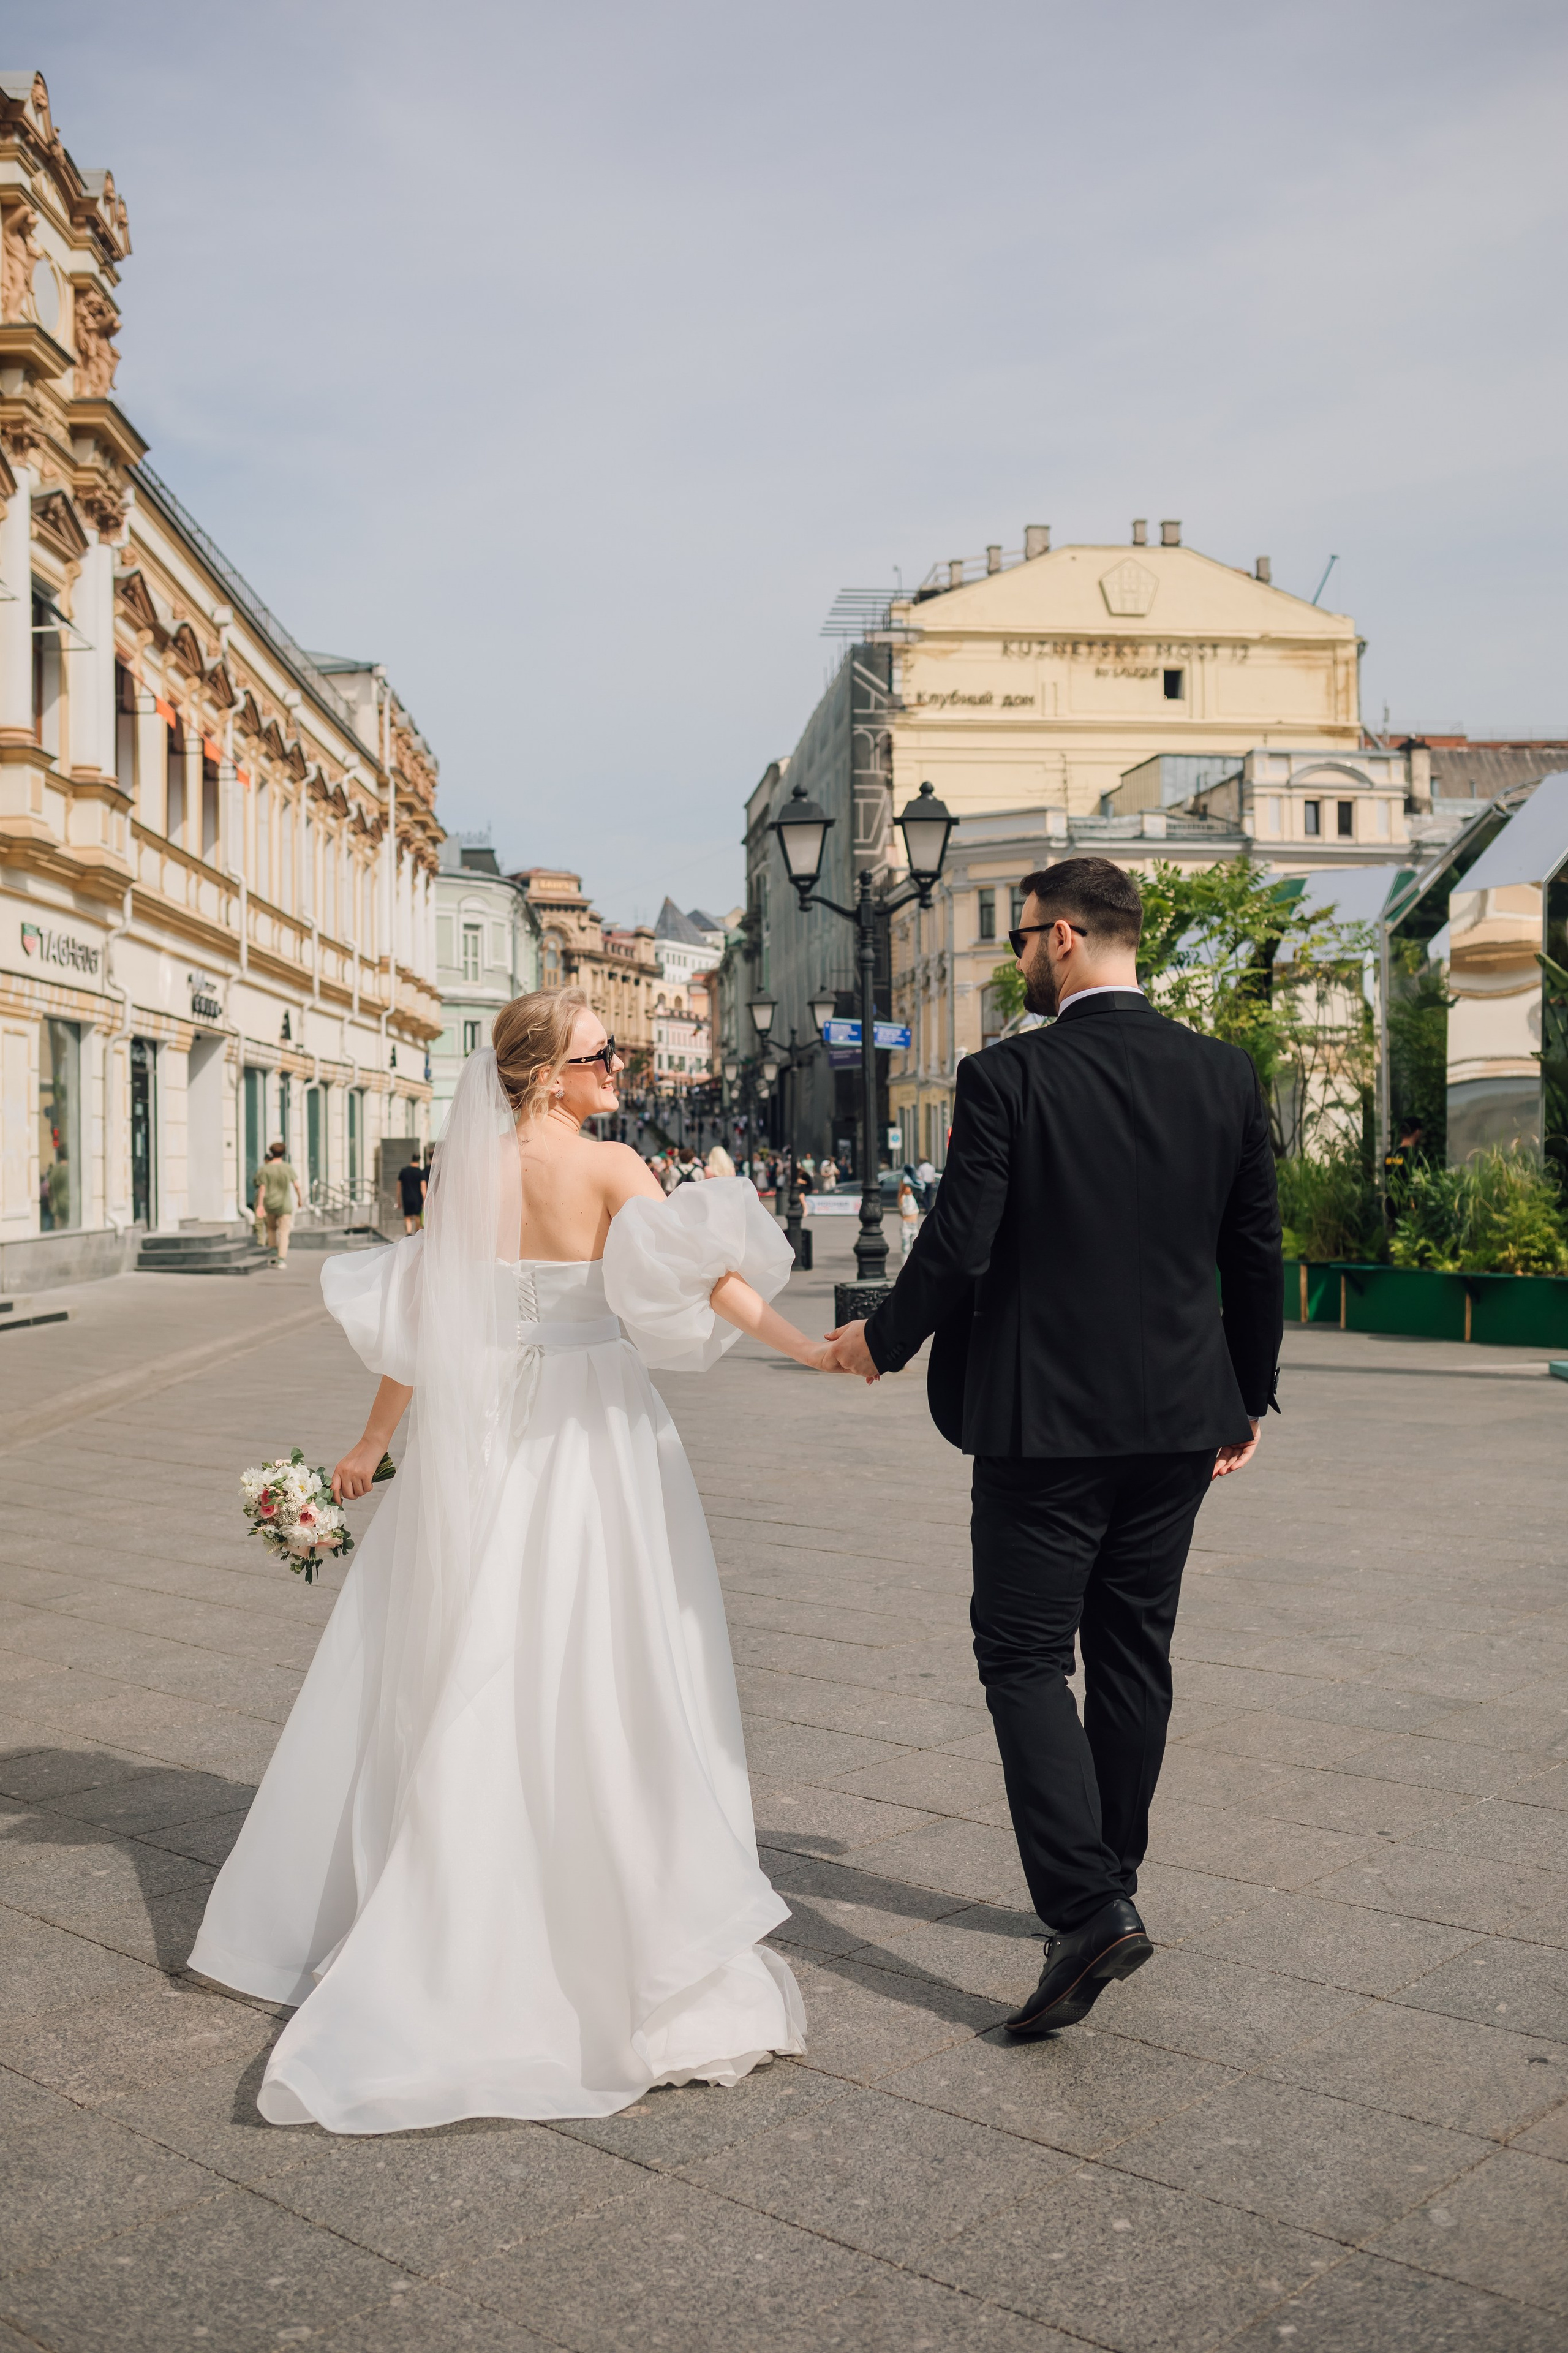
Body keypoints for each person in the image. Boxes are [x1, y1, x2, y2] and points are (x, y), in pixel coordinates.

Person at [190, 988, 854, 2131]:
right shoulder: (612, 1169)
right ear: (548, 1072)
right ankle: (604, 1903)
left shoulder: (467, 1176)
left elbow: (425, 1321)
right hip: (594, 1430)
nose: (620, 1072)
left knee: (469, 1640)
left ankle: (456, 1885)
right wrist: (809, 1348)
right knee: (605, 1654)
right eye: (604, 1056)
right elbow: (710, 1283)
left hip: (487, 1430)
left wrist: (372, 1442)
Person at [825, 856, 1281, 2039]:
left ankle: (1087, 1907)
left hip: (1045, 1425)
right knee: (1133, 1648)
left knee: (1024, 1653)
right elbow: (1254, 1253)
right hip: (1180, 1418)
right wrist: (1245, 1398)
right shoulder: (1224, 1074)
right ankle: (1108, 1882)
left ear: (1067, 937)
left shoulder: (1009, 1076)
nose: (1018, 956)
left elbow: (960, 1242)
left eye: (1024, 937)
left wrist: (883, 1339)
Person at [255, 1141, 303, 1267]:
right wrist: (300, 1199)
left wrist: (260, 1205)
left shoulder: (265, 1169)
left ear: (271, 1152)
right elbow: (297, 1186)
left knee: (271, 1229)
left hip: (269, 1205)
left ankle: (273, 1252)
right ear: (283, 1153)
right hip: (284, 1205)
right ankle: (281, 1259)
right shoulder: (287, 1167)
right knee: (284, 1232)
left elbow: (262, 1189)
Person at [397, 1150, 427, 1233]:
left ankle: (409, 1233)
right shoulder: (420, 1173)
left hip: (406, 1197)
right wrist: (425, 1200)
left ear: (412, 1159)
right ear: (419, 1160)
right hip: (417, 1199)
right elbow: (423, 1188)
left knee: (407, 1217)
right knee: (417, 1217)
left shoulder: (404, 1171)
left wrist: (398, 1200)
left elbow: (398, 1187)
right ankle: (416, 1234)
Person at [897, 1174, 920, 1258]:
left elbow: (920, 1186)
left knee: (915, 1248)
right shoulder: (903, 1197)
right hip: (906, 1225)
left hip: (914, 1225)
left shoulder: (911, 1196)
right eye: (908, 1187)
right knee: (906, 1249)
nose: (910, 1189)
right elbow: (906, 1211)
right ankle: (905, 1265)